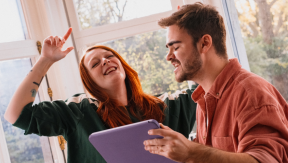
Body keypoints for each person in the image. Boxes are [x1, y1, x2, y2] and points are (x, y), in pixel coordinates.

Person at [4, 28, 197, 163]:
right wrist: (45, 60)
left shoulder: (165, 105)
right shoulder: (78, 110)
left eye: (109, 56)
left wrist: (188, 37)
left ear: (121, 63)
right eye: (95, 64)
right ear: (89, 81)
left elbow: (206, 86)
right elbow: (15, 114)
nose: (105, 61)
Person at [144, 2, 288, 163]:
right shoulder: (203, 99)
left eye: (175, 47)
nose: (168, 56)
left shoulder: (250, 93)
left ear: (205, 43)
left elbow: (266, 160)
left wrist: (192, 152)